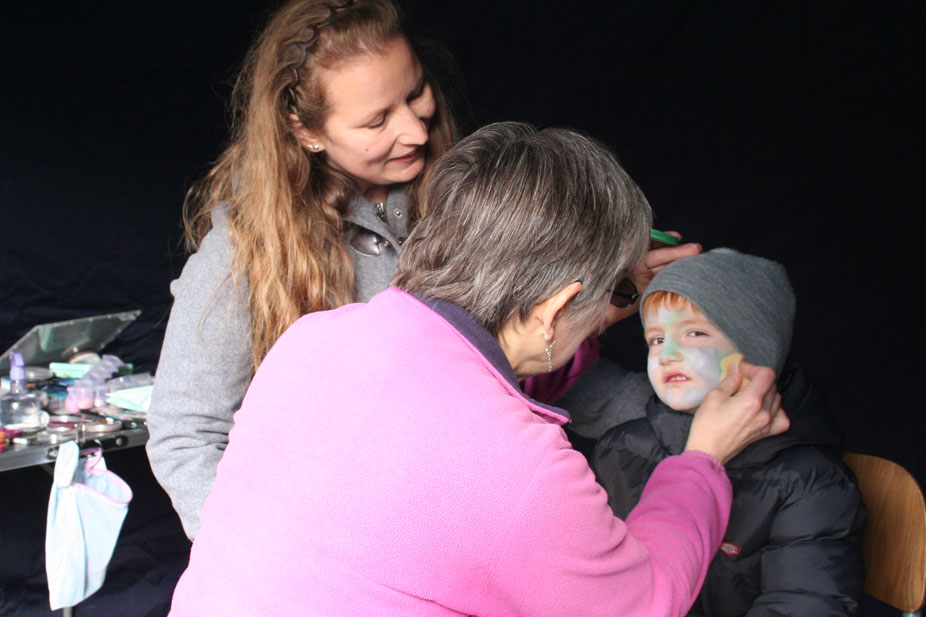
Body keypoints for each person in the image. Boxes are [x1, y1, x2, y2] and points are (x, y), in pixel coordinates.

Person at [166, 122, 788, 617]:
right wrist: (702, 459)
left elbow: (460, 392)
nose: (616, 308)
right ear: (560, 305)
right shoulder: (521, 466)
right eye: (612, 293)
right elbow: (645, 601)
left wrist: (585, 308)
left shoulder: (317, 338)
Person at [145, 0, 459, 539]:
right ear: (306, 130)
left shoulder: (465, 201)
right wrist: (269, 562)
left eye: (415, 94)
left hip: (460, 546)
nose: (415, 131)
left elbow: (529, 368)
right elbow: (184, 433)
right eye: (377, 119)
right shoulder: (247, 249)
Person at [592, 248, 865, 616]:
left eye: (695, 333)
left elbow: (805, 602)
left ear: (757, 352)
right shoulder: (623, 449)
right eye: (656, 339)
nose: (668, 354)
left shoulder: (807, 480)